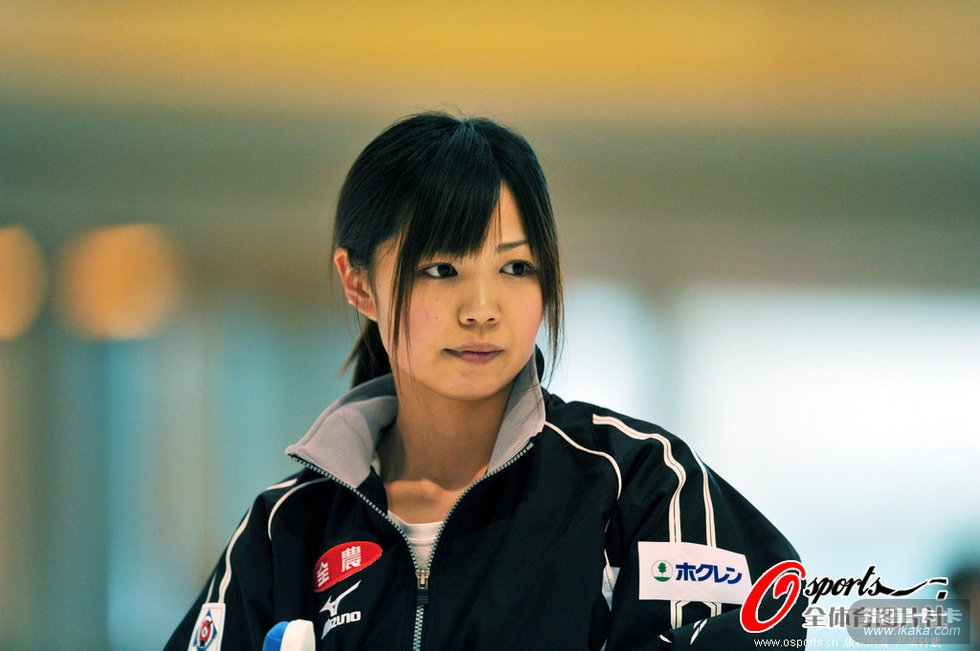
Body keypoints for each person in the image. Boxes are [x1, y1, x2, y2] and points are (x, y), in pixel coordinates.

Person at [166, 112, 806, 650]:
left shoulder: (637, 486)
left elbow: (773, 620)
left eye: (516, 267)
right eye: (441, 269)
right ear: (358, 283)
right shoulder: (286, 532)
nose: (481, 309)